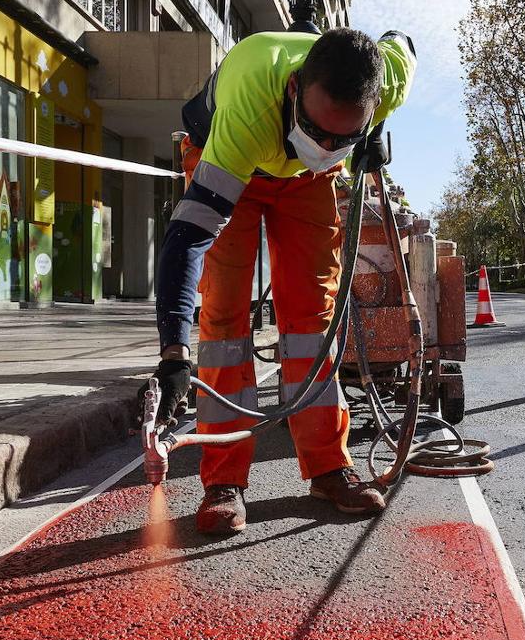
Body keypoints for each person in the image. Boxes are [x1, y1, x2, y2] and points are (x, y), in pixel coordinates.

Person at [143, 27, 416, 535]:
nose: (327, 146)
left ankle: (329, 468)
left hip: (306, 184)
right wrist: (173, 354)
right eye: (318, 133)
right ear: (294, 92)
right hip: (231, 156)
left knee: (312, 322)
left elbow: (402, 42)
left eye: (344, 137)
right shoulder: (247, 113)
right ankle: (224, 482)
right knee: (224, 320)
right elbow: (187, 241)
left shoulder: (386, 81)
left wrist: (371, 137)